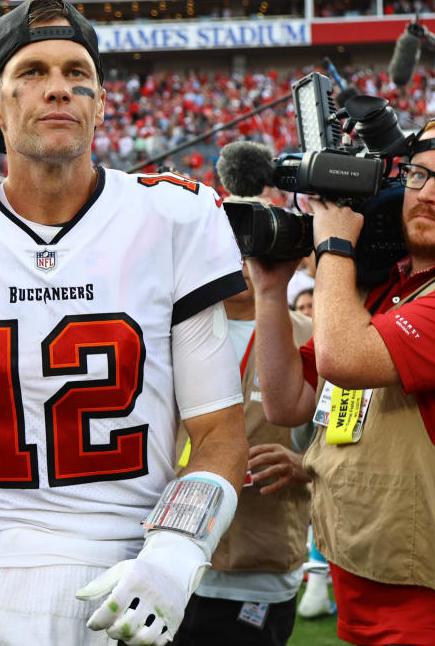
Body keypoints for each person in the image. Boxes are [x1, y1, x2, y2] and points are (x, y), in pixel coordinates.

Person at [0, 0, 247, 646]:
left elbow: (220, 430)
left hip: (136, 563)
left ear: (99, 102)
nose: (58, 88)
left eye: (75, 73)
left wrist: (176, 552)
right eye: (32, 72)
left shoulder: (175, 218)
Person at [251, 111, 435, 645]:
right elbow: (286, 402)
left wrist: (334, 246)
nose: (427, 193)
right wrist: (270, 293)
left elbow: (342, 360)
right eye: (418, 175)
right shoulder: (399, 290)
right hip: (370, 594)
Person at [171, 255, 314, 646]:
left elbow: (355, 441)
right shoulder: (169, 332)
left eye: (252, 253)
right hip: (168, 559)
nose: (240, 265)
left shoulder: (311, 334)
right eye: (228, 250)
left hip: (260, 567)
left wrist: (305, 464)